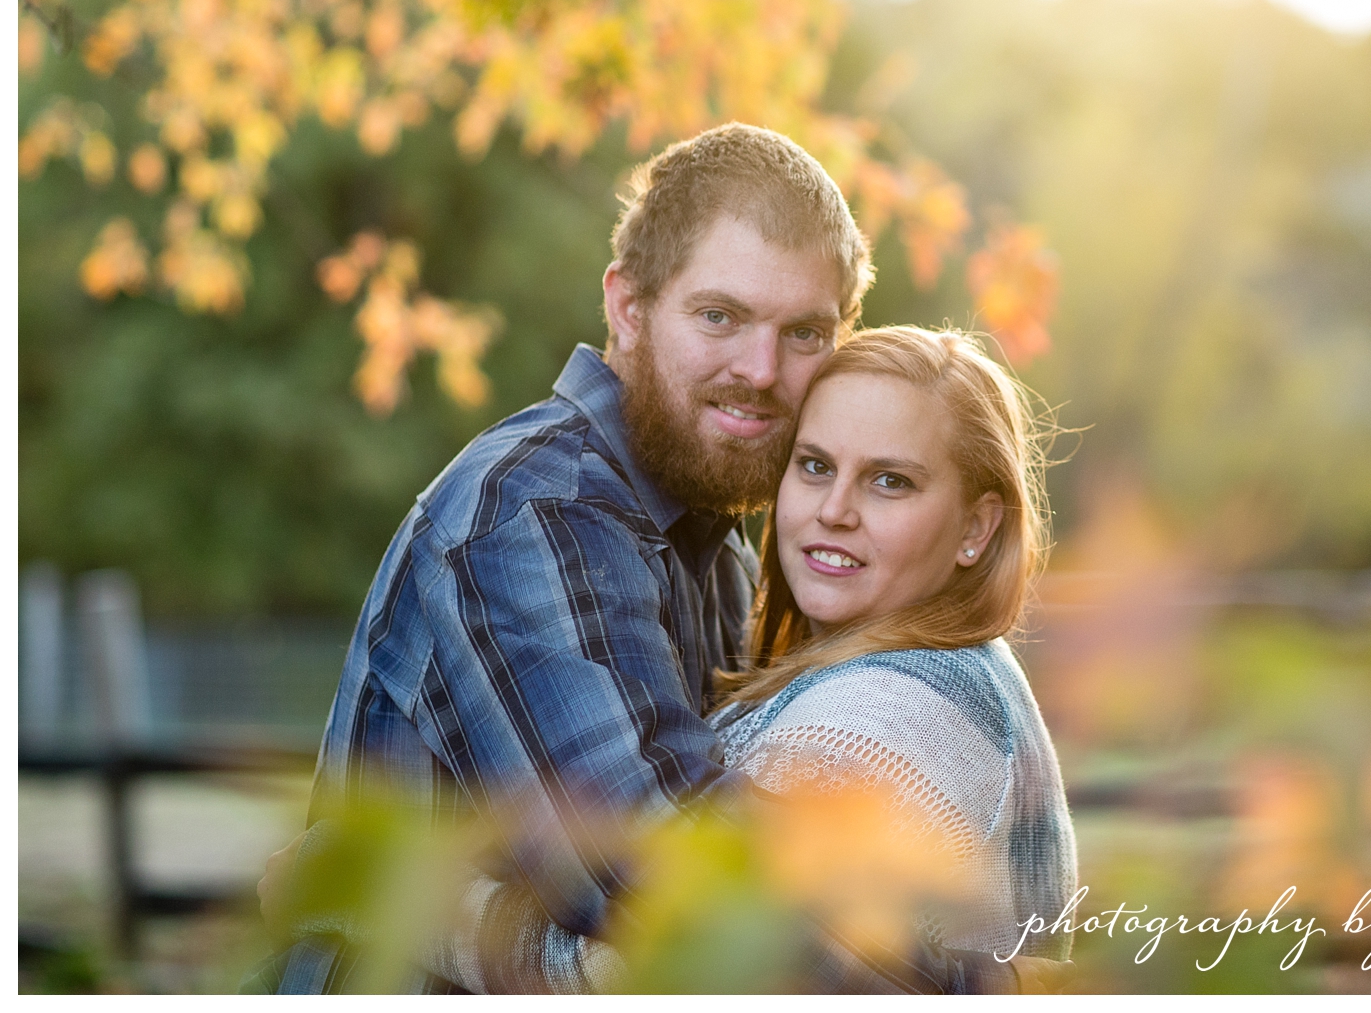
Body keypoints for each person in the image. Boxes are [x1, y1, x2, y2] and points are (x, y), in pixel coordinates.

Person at [262, 124, 1039, 994]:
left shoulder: (719, 551)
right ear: (628, 308)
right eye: (720, 315)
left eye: (805, 333)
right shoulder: (533, 517)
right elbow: (675, 890)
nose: (760, 369)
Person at [416, 326, 1077, 992]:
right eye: (815, 464)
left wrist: (419, 904)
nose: (835, 510)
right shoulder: (959, 671)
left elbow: (692, 976)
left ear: (976, 527)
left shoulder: (885, 714)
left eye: (890, 480)